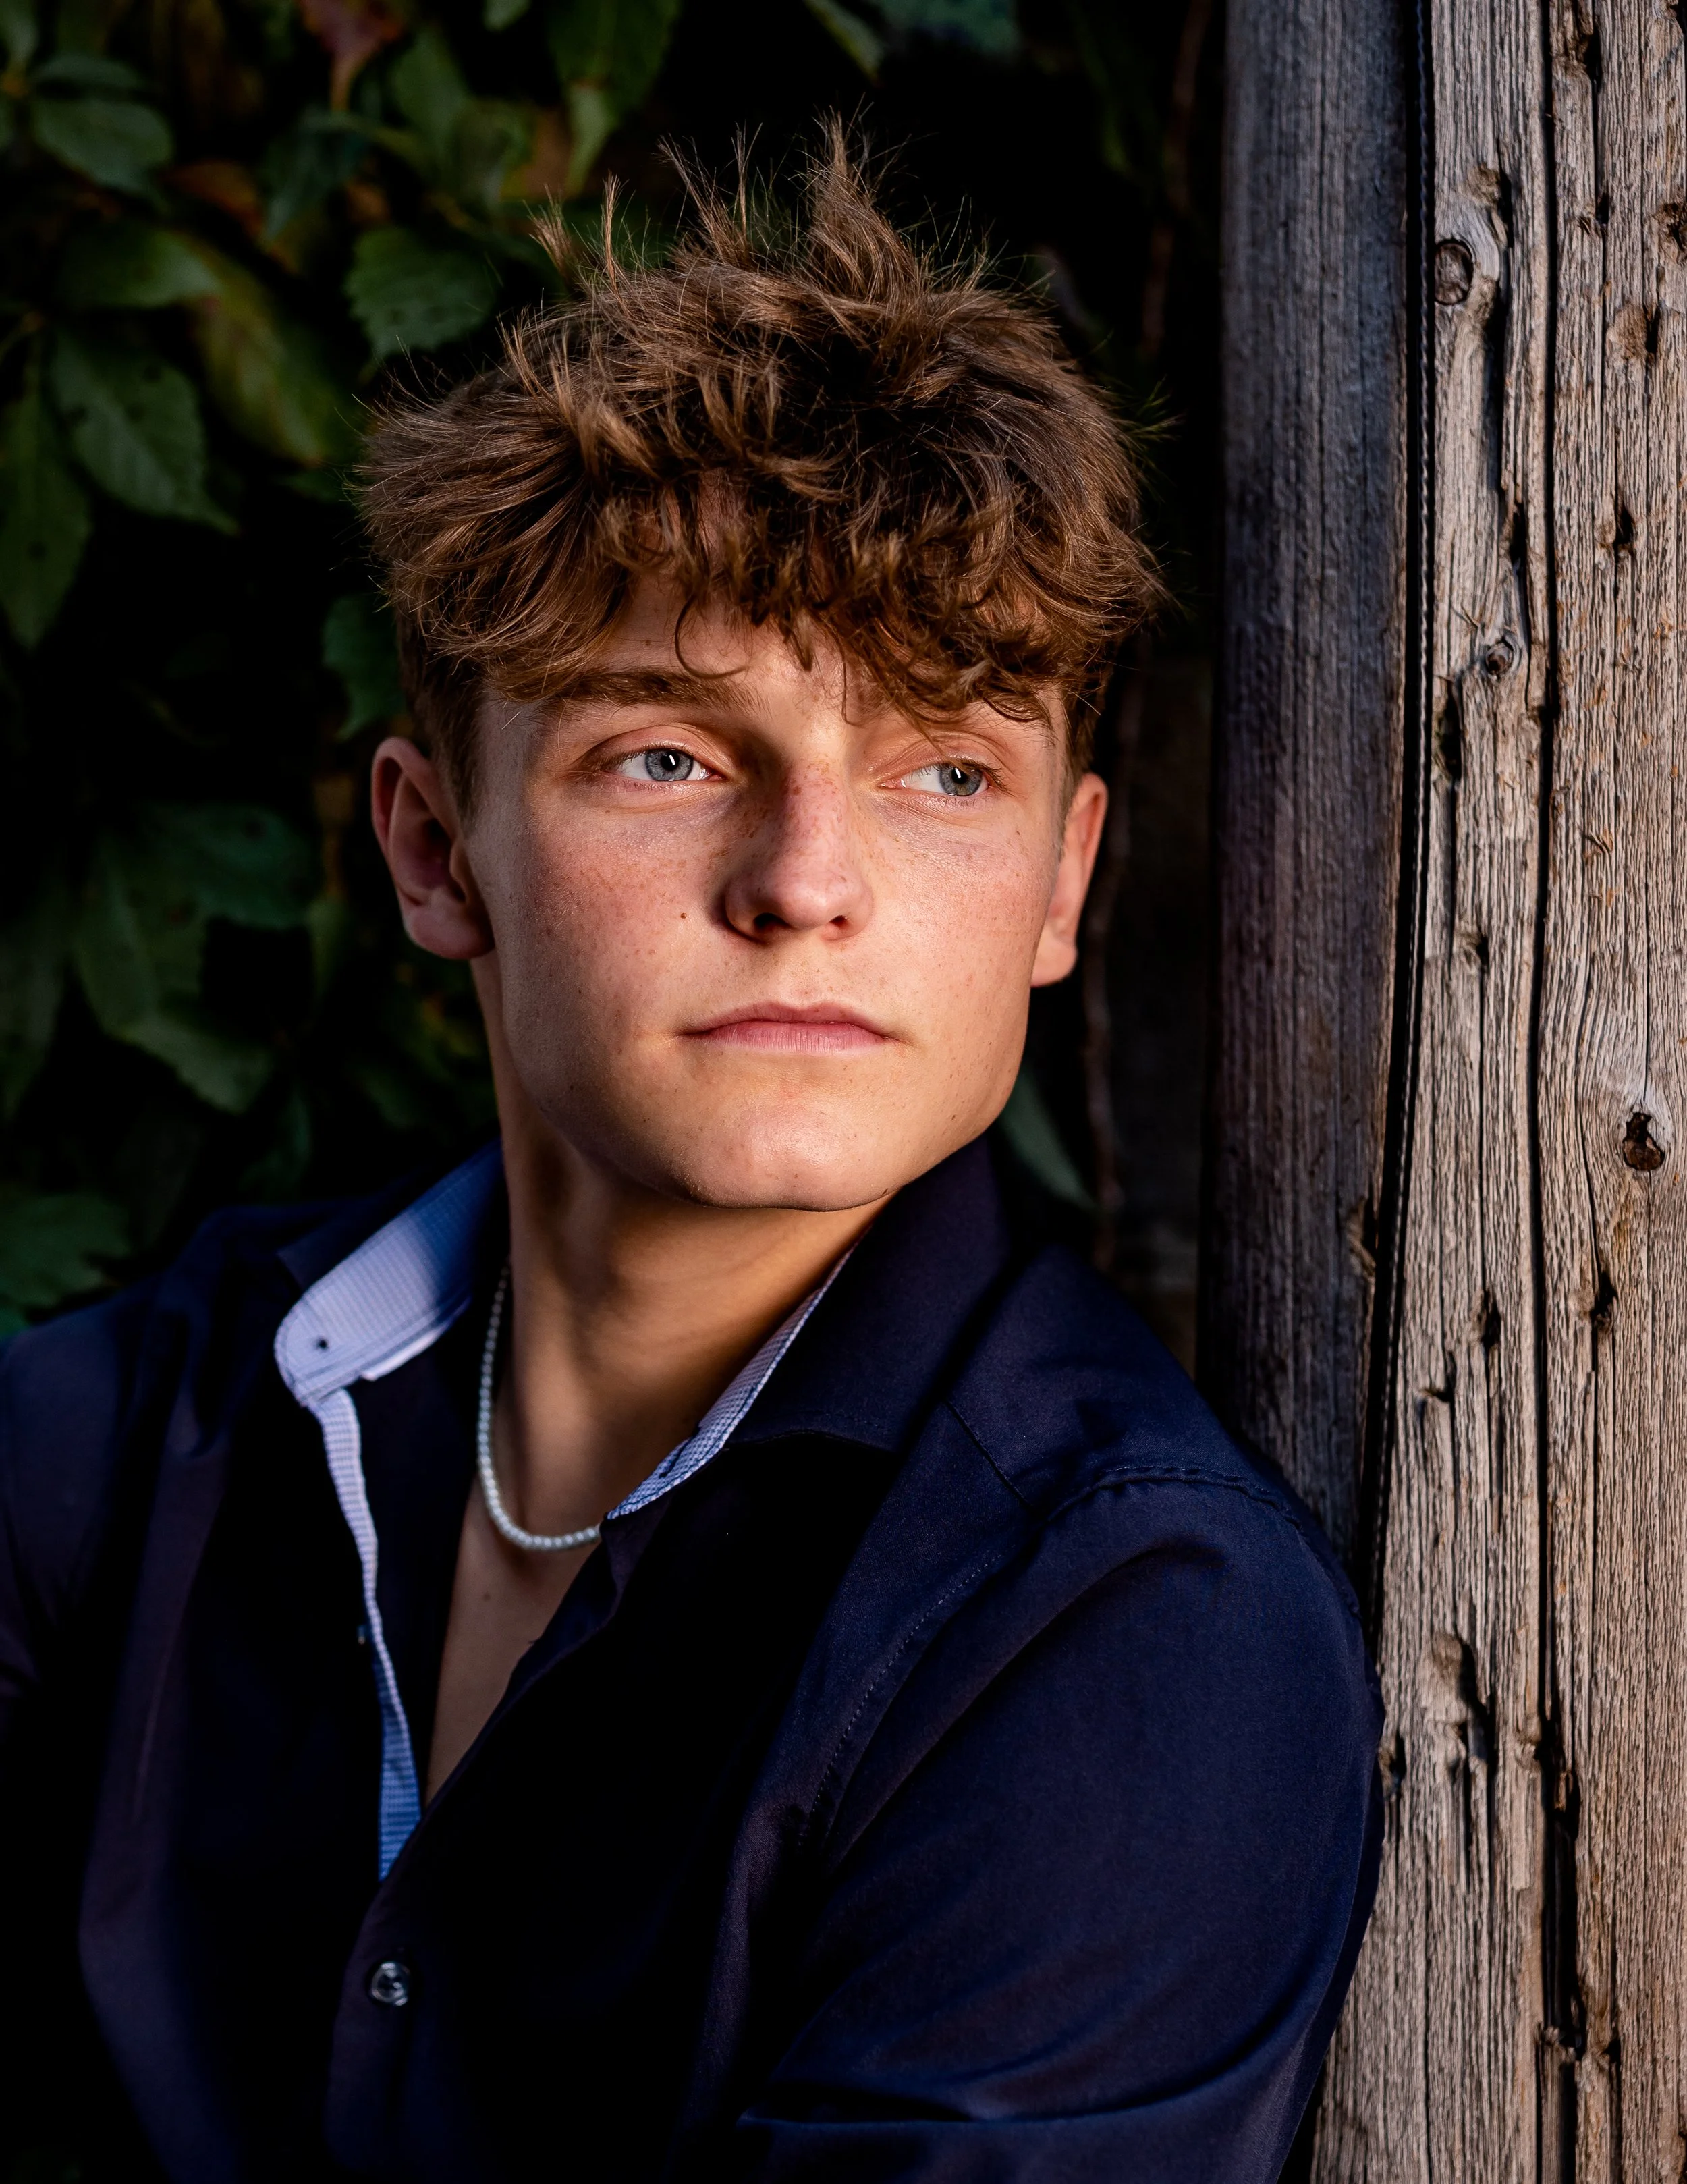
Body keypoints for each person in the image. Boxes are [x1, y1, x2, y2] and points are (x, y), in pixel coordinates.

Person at [0, 134, 1381, 2184]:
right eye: (663, 752)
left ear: (1061, 883)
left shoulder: (1123, 1633)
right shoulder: (119, 1430)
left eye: (941, 770)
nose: (807, 880)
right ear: (430, 844)